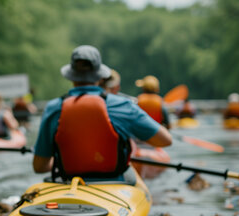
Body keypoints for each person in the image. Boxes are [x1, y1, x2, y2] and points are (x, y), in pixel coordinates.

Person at [33, 45, 172, 183]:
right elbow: (165, 140)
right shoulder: (123, 106)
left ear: (71, 76)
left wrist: (61, 163)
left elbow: (39, 166)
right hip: (114, 183)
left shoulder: (53, 108)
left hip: (69, 182)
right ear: (100, 76)